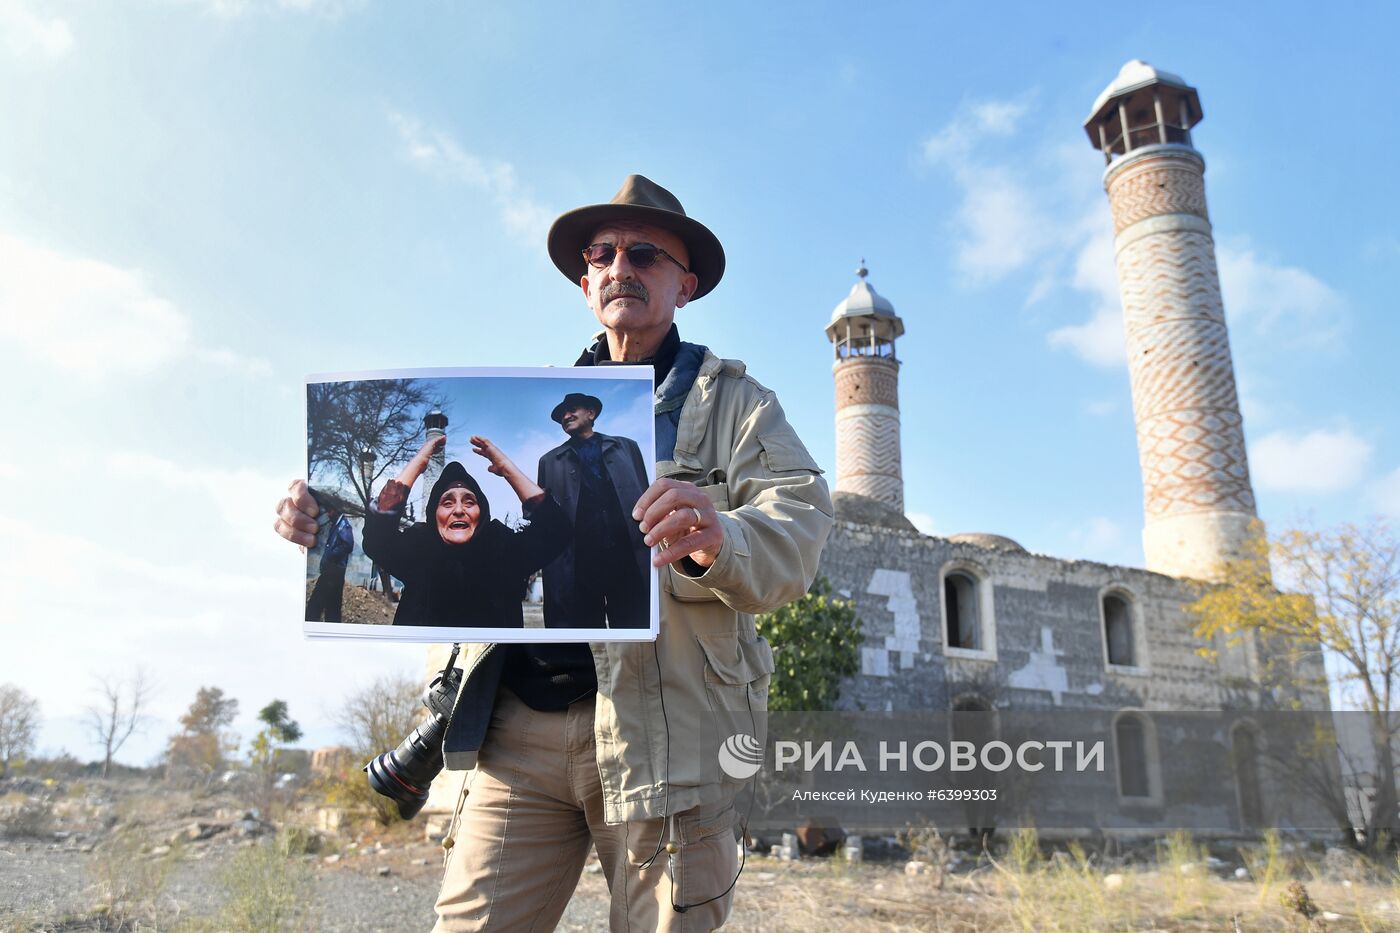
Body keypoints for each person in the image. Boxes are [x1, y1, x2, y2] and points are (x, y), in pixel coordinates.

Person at [274, 174, 833, 931]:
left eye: (645, 252)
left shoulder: (735, 404)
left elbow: (797, 526)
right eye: (602, 253)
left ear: (686, 283)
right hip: (518, 731)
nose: (619, 266)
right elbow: (480, 537)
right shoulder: (527, 412)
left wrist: (719, 537)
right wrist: (316, 523)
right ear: (584, 281)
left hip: (666, 735)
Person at [363, 433, 570, 628]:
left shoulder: (503, 551)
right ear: (434, 514)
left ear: (482, 512)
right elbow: (377, 537)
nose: (459, 510)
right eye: (447, 503)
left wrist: (507, 469)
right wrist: (418, 464)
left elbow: (556, 529)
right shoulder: (418, 550)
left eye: (469, 502)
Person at [537, 391, 651, 628]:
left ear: (591, 413)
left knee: (636, 629)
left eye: (572, 410)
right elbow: (540, 515)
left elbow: (645, 493)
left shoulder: (627, 447)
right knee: (581, 638)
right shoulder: (549, 461)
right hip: (580, 564)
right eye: (561, 415)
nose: (566, 416)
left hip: (627, 557)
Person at [304, 504, 353, 622]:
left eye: (329, 512)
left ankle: (311, 622)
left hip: (334, 570)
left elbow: (348, 545)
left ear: (334, 510)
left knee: (316, 603)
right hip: (333, 570)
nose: (328, 515)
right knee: (333, 605)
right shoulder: (337, 525)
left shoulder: (343, 526)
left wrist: (331, 557)